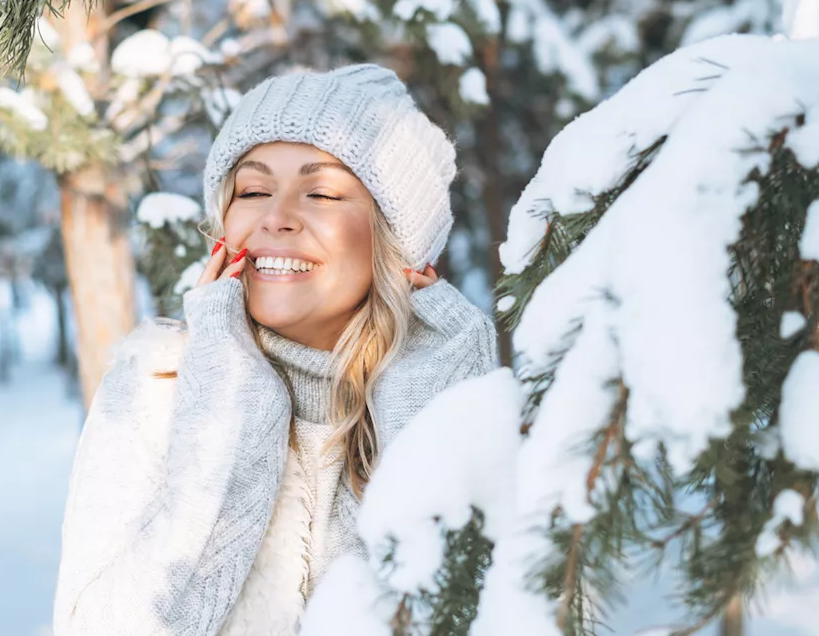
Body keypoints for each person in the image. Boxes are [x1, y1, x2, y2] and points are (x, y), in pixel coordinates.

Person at [52, 64, 498, 635]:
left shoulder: (447, 394)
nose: (276, 218)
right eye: (254, 190)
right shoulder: (155, 390)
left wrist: (434, 405)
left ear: (397, 243)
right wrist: (232, 412)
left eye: (322, 193)